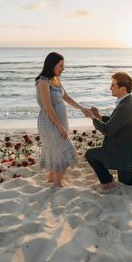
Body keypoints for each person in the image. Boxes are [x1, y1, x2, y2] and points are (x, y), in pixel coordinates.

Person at [35, 52, 87, 187]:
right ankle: (57, 182)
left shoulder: (56, 80)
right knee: (66, 149)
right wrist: (59, 126)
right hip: (49, 122)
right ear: (52, 65)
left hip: (60, 121)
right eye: (61, 66)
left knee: (57, 151)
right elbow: (47, 107)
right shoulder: (43, 82)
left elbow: (67, 98)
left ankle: (52, 178)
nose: (63, 68)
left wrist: (81, 108)